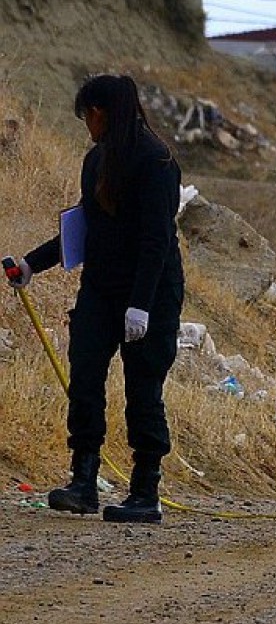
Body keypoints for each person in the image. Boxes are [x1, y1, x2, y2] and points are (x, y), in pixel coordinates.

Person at [4, 75, 183, 524]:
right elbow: (86, 226)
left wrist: (141, 304)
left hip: (152, 291)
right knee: (85, 379)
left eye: (87, 116)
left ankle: (146, 493)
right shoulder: (96, 161)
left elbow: (156, 241)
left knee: (143, 389)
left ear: (101, 113)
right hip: (101, 290)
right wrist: (31, 264)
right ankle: (83, 482)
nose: (87, 125)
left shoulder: (156, 162)